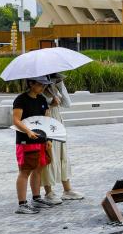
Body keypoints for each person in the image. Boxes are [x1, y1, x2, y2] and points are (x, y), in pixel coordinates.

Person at [12, 76, 57, 214]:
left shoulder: (42, 99)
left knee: (38, 169)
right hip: (26, 141)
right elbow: (15, 120)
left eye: (44, 85)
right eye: (40, 84)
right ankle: (22, 204)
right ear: (31, 84)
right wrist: (28, 131)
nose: (43, 87)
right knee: (25, 171)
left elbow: (46, 120)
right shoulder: (21, 99)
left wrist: (48, 139)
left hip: (41, 141)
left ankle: (36, 198)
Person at [40, 74, 83, 204]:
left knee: (62, 155)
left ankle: (67, 189)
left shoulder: (53, 87)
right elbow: (36, 109)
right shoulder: (38, 88)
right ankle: (49, 192)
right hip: (46, 124)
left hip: (58, 123)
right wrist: (51, 105)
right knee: (49, 156)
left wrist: (60, 84)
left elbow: (67, 103)